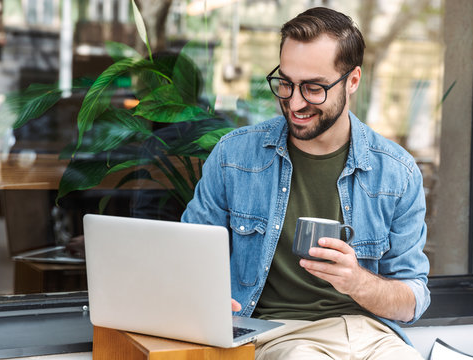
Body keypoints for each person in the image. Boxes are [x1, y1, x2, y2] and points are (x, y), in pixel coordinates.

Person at [182, 6, 429, 360]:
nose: (295, 102)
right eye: (285, 83)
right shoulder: (234, 156)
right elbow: (188, 260)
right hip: (283, 338)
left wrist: (357, 281)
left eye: (313, 88)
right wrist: (204, 298)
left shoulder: (397, 172)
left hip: (373, 337)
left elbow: (412, 301)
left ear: (353, 80)